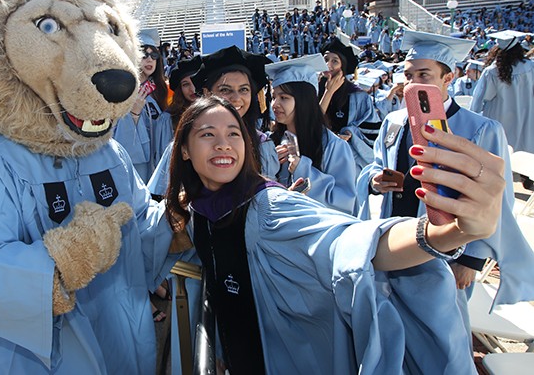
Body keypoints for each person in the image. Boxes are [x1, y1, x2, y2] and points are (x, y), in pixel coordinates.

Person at [163, 95, 507, 373]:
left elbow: (354, 245)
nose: (224, 144)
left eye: (234, 134)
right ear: (183, 150)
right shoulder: (198, 207)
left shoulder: (269, 208)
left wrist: (444, 233)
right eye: (208, 134)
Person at [356, 30, 534, 328]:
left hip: (450, 252)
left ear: (447, 78)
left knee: (439, 330)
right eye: (409, 75)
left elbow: (495, 202)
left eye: (424, 74)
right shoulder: (393, 122)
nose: (413, 83)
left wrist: (472, 260)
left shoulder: (479, 130)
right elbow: (373, 166)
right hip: (397, 239)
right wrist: (375, 181)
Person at [265, 54, 358, 214]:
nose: (275, 104)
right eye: (274, 97)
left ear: (304, 101)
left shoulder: (334, 146)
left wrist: (304, 170)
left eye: (284, 97)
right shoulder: (271, 142)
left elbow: (345, 202)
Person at [190, 45, 279, 178]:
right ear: (207, 93)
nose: (236, 98)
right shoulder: (189, 142)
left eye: (244, 90)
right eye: (225, 90)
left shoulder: (262, 144)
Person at [113, 28, 170, 183]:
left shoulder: (157, 91)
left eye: (154, 55)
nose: (150, 59)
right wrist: (133, 114)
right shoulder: (121, 92)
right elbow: (119, 143)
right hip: (137, 169)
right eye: (144, 54)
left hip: (159, 164)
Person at [319, 38, 380, 172]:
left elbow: (373, 131)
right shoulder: (312, 90)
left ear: (343, 66)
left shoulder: (359, 97)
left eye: (335, 61)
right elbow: (309, 124)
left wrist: (350, 132)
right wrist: (328, 93)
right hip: (318, 158)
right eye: (325, 59)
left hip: (348, 161)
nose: (328, 65)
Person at [470, 30, 534, 154]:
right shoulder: (531, 67)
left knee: (504, 155)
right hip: (528, 118)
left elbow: (480, 99)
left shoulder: (493, 71)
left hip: (502, 121)